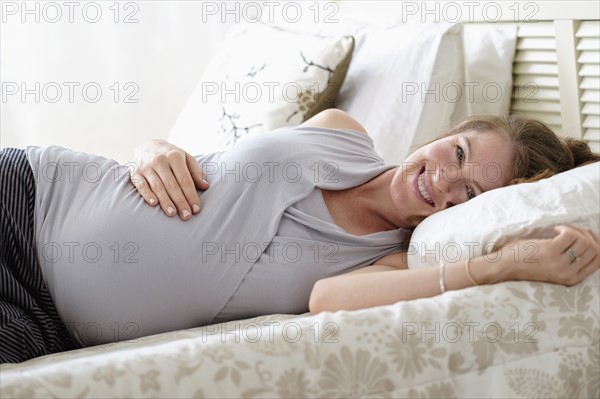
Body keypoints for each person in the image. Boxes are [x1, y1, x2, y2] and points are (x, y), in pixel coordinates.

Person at [1, 109, 598, 363]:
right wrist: (152, 147)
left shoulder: (390, 262)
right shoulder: (341, 130)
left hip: (46, 323)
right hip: (35, 198)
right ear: (451, 129)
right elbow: (218, 166)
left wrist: (496, 267)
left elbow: (325, 301)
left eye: (469, 194)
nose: (442, 179)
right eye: (459, 152)